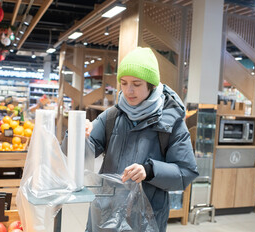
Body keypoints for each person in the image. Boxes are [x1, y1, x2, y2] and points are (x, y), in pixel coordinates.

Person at [85, 47, 199, 231]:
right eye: (123, 83)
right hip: (106, 215)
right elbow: (80, 155)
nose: (129, 90)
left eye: (136, 84)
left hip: (145, 219)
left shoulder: (172, 122)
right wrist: (79, 137)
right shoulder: (111, 117)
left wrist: (150, 170)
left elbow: (186, 172)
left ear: (151, 85)